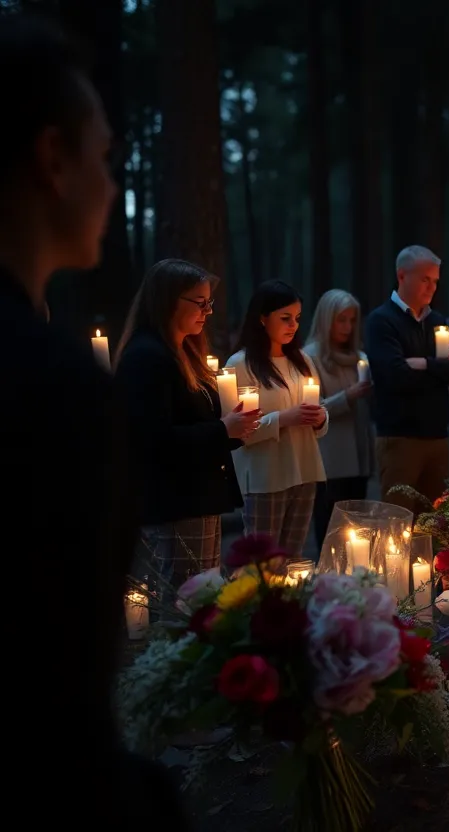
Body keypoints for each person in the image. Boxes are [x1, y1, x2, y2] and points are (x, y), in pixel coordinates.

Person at [0, 15, 191, 826]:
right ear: (52, 159)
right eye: (105, 156)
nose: (113, 184)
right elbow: (55, 690)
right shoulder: (49, 385)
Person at [115, 259, 255, 595]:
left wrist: (233, 429)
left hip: (199, 495)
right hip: (177, 500)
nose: (208, 311)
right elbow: (153, 439)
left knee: (203, 597)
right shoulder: (147, 357)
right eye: (200, 302)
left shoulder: (184, 352)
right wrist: (224, 430)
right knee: (183, 597)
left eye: (210, 302)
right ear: (167, 300)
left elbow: (198, 420)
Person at [365, 245, 449, 516]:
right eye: (425, 279)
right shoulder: (381, 321)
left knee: (435, 520)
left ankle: (430, 561)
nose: (432, 287)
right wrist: (441, 368)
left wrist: (424, 364)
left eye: (435, 280)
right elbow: (396, 377)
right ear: (402, 276)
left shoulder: (438, 321)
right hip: (400, 436)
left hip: (437, 434)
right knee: (397, 517)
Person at [228, 281, 329, 558]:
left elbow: (318, 418)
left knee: (291, 560)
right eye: (285, 318)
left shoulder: (303, 361)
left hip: (304, 471)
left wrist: (319, 417)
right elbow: (237, 432)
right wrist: (284, 418)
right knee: (261, 564)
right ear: (262, 318)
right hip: (265, 477)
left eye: (297, 318)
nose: (293, 325)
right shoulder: (239, 365)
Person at [303, 289, 375, 548]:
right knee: (330, 530)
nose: (347, 327)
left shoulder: (360, 357)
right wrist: (348, 396)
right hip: (329, 460)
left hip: (358, 455)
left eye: (352, 320)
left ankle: (353, 583)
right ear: (326, 320)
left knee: (356, 532)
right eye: (341, 320)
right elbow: (312, 409)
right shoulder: (310, 357)